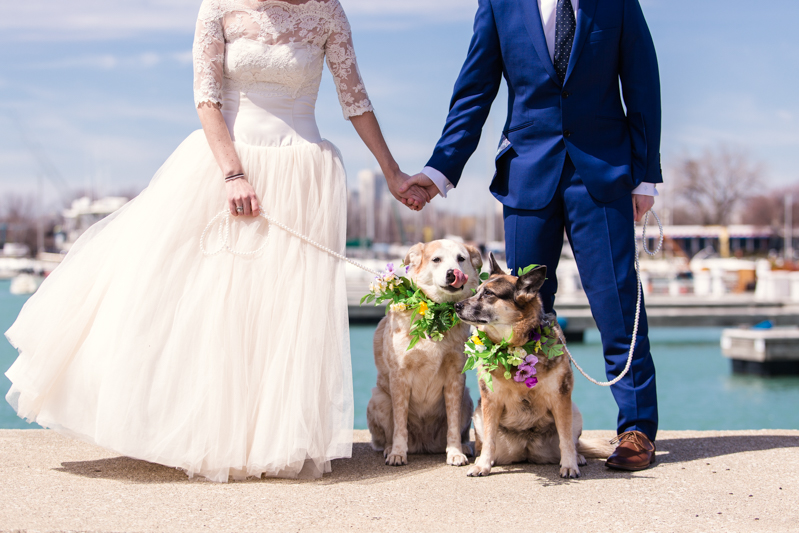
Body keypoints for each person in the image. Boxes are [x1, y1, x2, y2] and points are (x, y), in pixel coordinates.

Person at [4, 0, 425, 482]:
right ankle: (199, 434)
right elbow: (206, 98)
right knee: (209, 304)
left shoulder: (327, 11)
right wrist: (233, 174)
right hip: (229, 166)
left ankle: (272, 440)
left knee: (283, 314)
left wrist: (392, 173)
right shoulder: (219, 7)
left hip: (304, 174)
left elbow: (355, 100)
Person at [401, 0, 661, 471]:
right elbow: (475, 87)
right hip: (527, 174)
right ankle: (526, 427)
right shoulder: (500, 4)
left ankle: (637, 430)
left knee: (618, 305)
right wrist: (440, 171)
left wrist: (645, 177)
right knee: (521, 311)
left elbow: (642, 82)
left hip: (602, 175)